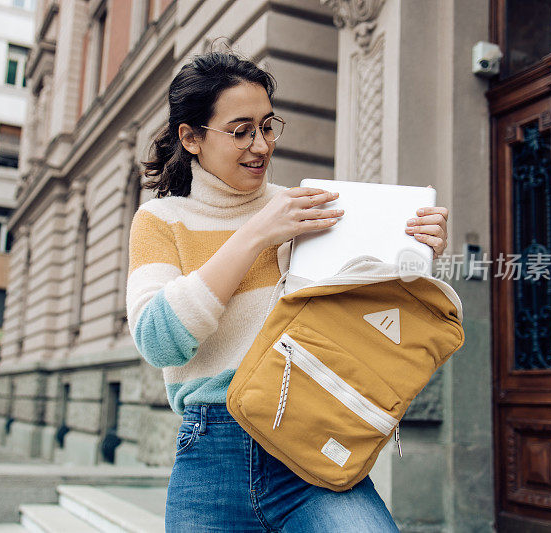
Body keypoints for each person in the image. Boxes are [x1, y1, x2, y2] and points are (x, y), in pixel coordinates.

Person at [126, 51, 449, 531]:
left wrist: (415, 253)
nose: (261, 145)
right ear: (191, 138)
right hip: (213, 451)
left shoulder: (304, 208)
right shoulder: (160, 221)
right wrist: (256, 234)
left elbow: (366, 319)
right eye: (240, 131)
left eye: (268, 126)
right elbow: (157, 340)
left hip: (311, 442)